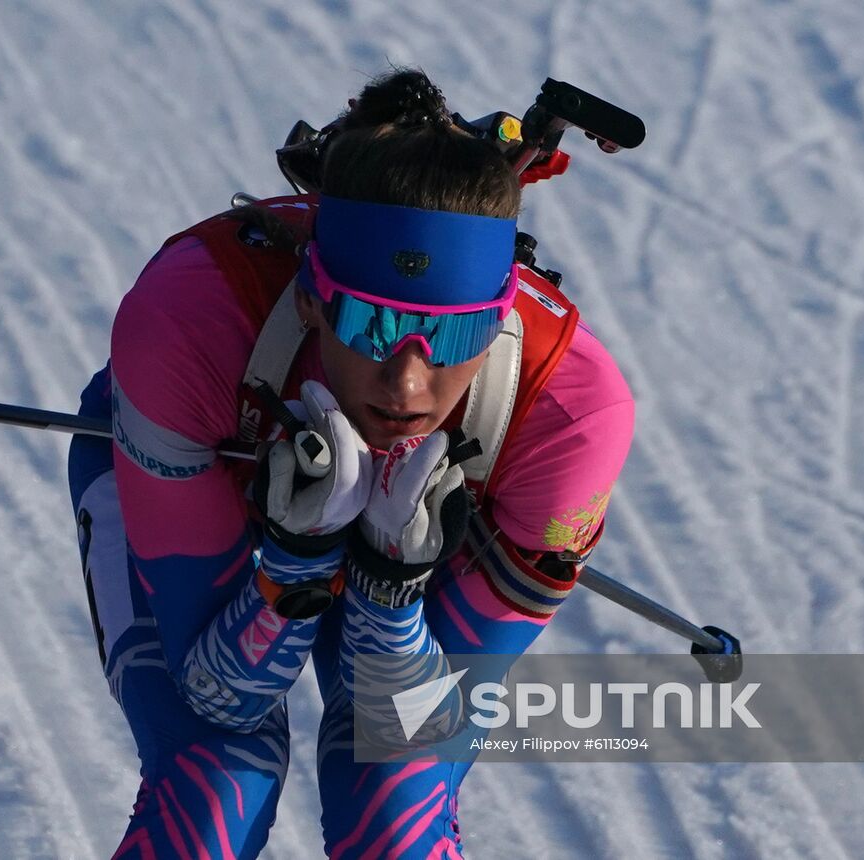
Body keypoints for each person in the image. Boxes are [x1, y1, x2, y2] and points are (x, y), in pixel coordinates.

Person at [69, 68, 634, 859]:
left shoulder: (570, 416)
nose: (406, 383)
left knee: (395, 812)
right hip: (213, 457)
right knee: (214, 783)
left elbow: (403, 728)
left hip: (412, 542)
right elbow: (219, 699)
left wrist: (387, 589)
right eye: (370, 323)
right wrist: (296, 567)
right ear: (308, 295)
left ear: (502, 315)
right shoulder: (189, 322)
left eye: (454, 338)